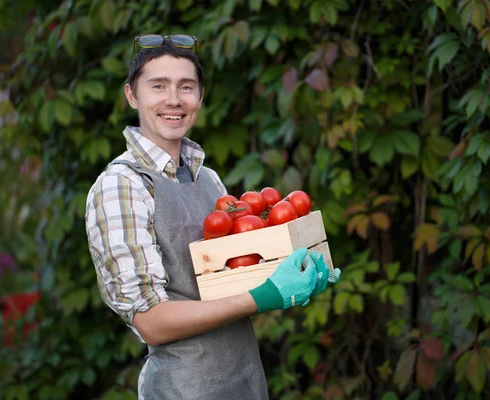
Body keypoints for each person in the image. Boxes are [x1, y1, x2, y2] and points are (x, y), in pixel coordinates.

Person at [84, 34, 340, 400]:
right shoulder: (121, 186)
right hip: (182, 389)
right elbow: (151, 322)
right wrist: (264, 296)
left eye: (186, 87)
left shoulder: (209, 179)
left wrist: (296, 275)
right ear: (131, 96)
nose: (174, 99)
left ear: (200, 98)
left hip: (246, 382)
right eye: (158, 86)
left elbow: (232, 282)